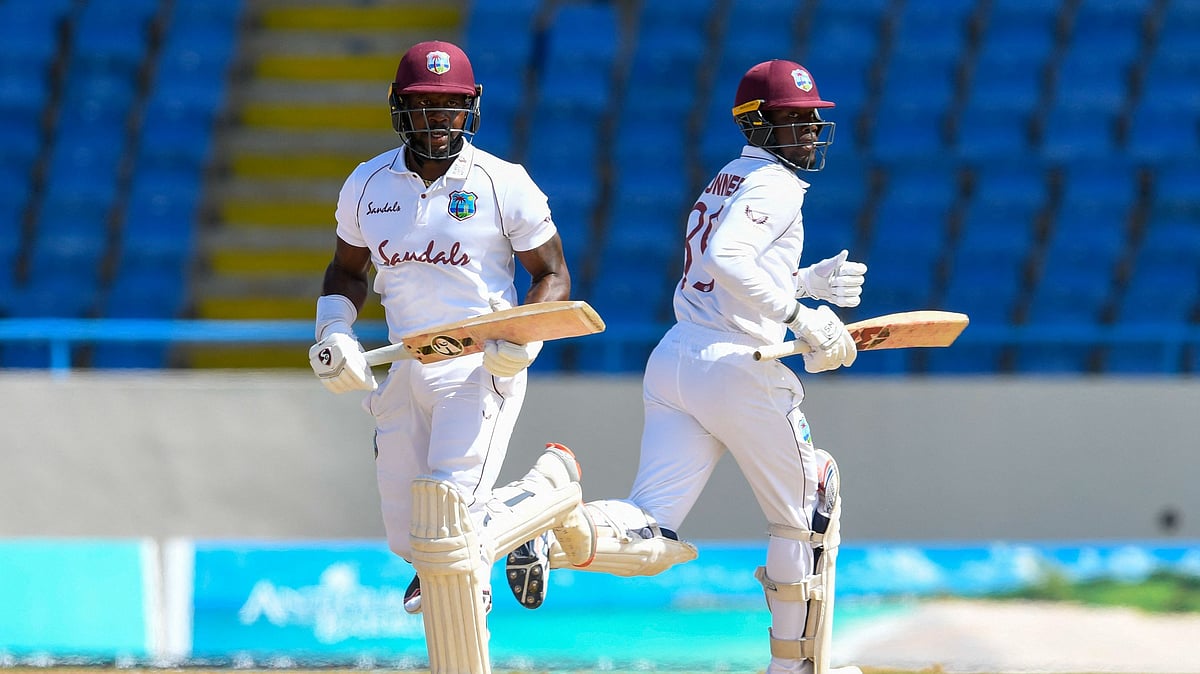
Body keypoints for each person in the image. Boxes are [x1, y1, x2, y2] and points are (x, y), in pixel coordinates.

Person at [509, 60, 868, 674]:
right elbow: (730, 259)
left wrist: (809, 284)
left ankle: (554, 526)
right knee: (809, 509)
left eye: (813, 118)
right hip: (738, 366)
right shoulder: (775, 183)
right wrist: (800, 318)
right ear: (757, 124)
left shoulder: (729, 177)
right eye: (794, 118)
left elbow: (719, 267)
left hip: (677, 358)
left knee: (652, 523)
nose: (810, 128)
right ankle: (798, 668)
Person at [306, 40, 584, 621]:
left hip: (481, 362)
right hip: (407, 362)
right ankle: (531, 513)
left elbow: (552, 274)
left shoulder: (504, 182)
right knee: (410, 537)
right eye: (425, 106)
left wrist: (522, 341)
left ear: (471, 107)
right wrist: (335, 332)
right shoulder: (367, 184)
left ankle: (469, 572)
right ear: (399, 108)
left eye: (451, 105)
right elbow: (347, 270)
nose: (439, 120)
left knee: (450, 516)